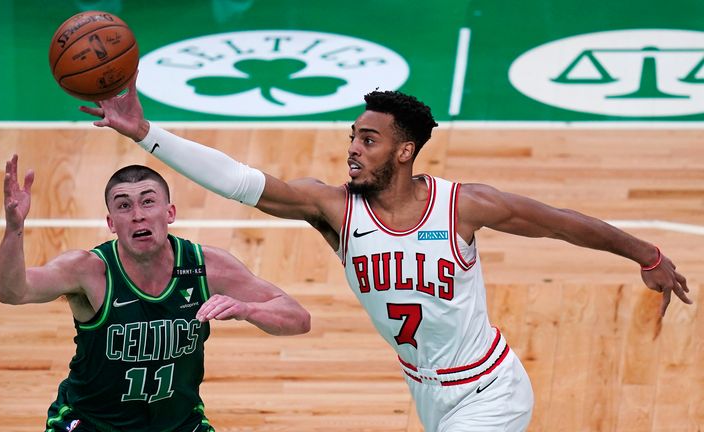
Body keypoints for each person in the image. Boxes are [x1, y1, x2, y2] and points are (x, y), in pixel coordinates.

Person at [81, 78, 692, 432]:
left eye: (368, 140)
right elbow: (242, 181)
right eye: (352, 137)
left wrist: (647, 254)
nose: (353, 149)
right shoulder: (336, 210)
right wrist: (145, 134)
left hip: (490, 391)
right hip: (426, 393)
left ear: (404, 153)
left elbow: (564, 225)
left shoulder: (464, 206)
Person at [0, 155, 311, 432]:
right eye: (123, 205)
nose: (137, 214)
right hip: (91, 423)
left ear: (169, 212)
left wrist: (247, 310)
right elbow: (13, 291)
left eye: (148, 201)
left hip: (177, 424)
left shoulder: (206, 267)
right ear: (111, 223)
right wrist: (14, 229)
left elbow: (299, 319)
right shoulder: (88, 270)